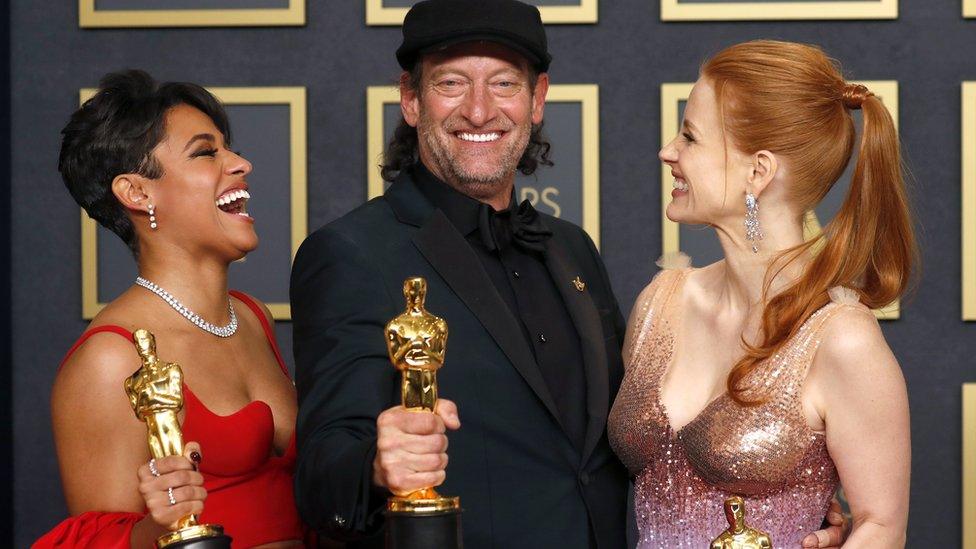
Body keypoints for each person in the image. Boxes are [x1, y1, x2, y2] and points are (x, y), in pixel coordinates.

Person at [290, 1, 629, 547]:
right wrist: (378, 468)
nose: (478, 111)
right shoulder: (349, 253)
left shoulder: (573, 249)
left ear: (537, 99)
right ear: (411, 99)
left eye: (503, 84)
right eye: (451, 83)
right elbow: (321, 485)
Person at [608, 40, 913, 548]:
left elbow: (881, 527)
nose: (668, 152)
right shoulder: (660, 302)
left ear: (759, 171)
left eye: (690, 136)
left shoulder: (841, 339)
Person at [35, 70, 304, 548]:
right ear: (137, 193)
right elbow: (97, 540)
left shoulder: (250, 316)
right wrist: (158, 526)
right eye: (206, 152)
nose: (241, 163)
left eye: (229, 147)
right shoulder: (110, 360)